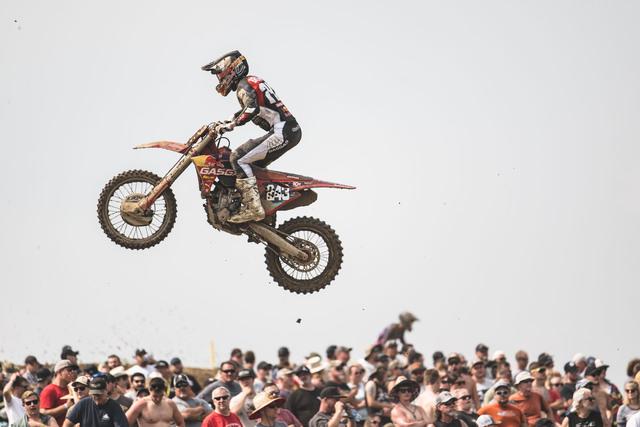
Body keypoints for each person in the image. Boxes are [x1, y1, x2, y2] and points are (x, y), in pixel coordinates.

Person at [201, 50, 301, 223]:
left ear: (231, 69)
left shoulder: (244, 84)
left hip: (282, 131)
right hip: (287, 130)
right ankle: (263, 209)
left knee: (238, 158)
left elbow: (252, 109)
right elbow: (255, 109)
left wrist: (232, 124)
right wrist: (229, 120)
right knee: (252, 167)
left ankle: (254, 209)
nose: (220, 79)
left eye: (220, 74)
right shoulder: (251, 81)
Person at [63, 377, 128, 427]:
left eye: (99, 394)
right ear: (90, 393)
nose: (96, 397)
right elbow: (67, 424)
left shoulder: (114, 407)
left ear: (106, 391)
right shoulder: (82, 404)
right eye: (94, 394)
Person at [40, 360, 79, 427]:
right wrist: (66, 406)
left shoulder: (71, 388)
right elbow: (42, 414)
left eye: (73, 370)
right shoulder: (49, 390)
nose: (72, 372)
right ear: (60, 372)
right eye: (69, 370)